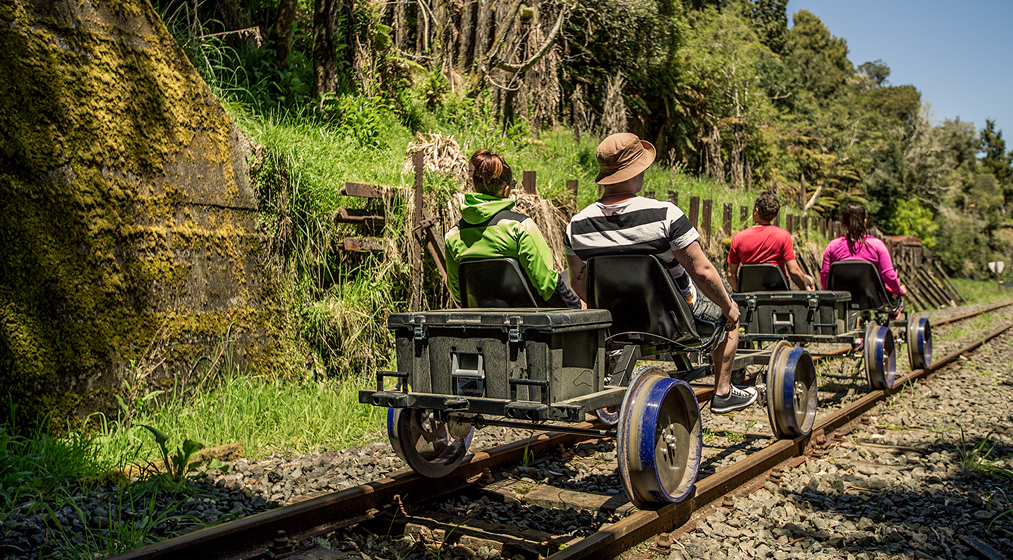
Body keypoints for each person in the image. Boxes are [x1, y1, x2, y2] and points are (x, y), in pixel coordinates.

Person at [564, 132, 757, 415]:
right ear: (639, 169)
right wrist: (727, 306)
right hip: (673, 317)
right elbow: (702, 271)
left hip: (615, 320)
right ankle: (724, 392)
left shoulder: (578, 225)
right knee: (729, 318)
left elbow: (579, 282)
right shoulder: (665, 215)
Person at [445, 149, 580, 308]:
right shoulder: (520, 227)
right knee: (573, 276)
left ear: (475, 186)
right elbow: (547, 284)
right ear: (505, 188)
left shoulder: (453, 235)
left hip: (481, 320)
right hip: (527, 320)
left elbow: (459, 292)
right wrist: (574, 306)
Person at [727, 192, 814, 292]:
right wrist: (805, 290)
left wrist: (741, 292)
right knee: (810, 280)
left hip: (750, 294)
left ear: (756, 210)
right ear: (774, 214)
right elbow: (794, 271)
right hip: (778, 293)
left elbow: (730, 274)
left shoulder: (738, 238)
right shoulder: (783, 235)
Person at [820, 202, 906, 297]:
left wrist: (829, 294)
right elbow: (888, 276)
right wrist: (899, 290)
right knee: (893, 268)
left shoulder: (832, 246)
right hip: (872, 299)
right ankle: (893, 309)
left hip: (843, 297)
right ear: (865, 222)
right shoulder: (877, 245)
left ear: (844, 224)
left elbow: (825, 275)